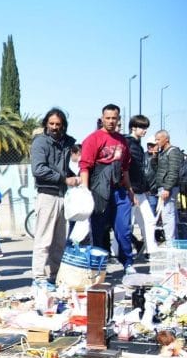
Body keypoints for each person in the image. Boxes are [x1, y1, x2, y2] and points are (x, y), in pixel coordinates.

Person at [79, 104, 135, 273]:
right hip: (99, 191)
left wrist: (130, 191)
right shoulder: (93, 139)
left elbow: (125, 169)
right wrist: (85, 190)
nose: (111, 121)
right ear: (102, 118)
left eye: (114, 118)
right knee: (98, 231)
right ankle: (97, 267)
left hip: (119, 192)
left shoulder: (122, 140)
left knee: (124, 231)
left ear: (119, 119)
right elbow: (85, 167)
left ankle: (128, 264)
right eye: (108, 118)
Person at [30, 108, 79, 287]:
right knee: (43, 240)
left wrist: (76, 177)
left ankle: (55, 275)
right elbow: (39, 169)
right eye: (51, 124)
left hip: (62, 195)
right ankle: (39, 277)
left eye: (58, 124)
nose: (54, 127)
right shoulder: (40, 143)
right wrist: (64, 178)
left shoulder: (66, 143)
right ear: (46, 124)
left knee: (59, 241)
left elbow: (64, 168)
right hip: (47, 195)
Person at [124, 115, 156, 255]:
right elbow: (127, 169)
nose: (145, 130)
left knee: (147, 221)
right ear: (133, 127)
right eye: (142, 127)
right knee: (130, 223)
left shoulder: (135, 144)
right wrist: (130, 189)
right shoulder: (129, 143)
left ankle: (151, 249)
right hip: (131, 190)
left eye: (145, 127)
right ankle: (119, 250)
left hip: (137, 190)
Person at [153, 130, 183, 246]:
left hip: (168, 188)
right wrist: (155, 157)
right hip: (163, 187)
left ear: (166, 139)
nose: (157, 142)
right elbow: (158, 169)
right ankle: (172, 241)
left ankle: (171, 242)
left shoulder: (173, 152)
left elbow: (173, 172)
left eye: (158, 139)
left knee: (168, 215)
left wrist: (167, 188)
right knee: (168, 214)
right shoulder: (162, 153)